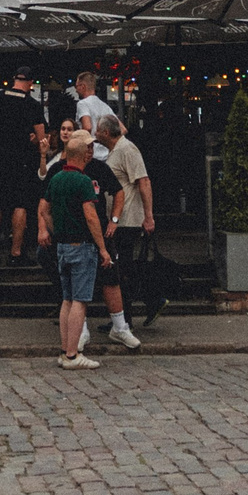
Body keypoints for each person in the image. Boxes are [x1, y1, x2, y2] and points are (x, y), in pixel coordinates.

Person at [37, 130, 111, 369]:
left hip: (63, 245)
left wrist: (55, 229)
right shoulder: (83, 181)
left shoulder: (57, 178)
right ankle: (72, 354)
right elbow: (91, 216)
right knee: (80, 300)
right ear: (81, 155)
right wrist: (102, 248)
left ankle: (64, 350)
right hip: (82, 245)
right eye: (88, 148)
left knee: (66, 299)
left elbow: (44, 209)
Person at [90, 115, 152, 346]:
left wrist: (148, 216)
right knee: (118, 269)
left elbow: (143, 181)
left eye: (98, 130)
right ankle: (120, 320)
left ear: (106, 132)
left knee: (121, 270)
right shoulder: (115, 149)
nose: (95, 134)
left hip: (126, 219)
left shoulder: (127, 149)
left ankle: (125, 320)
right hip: (115, 220)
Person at [0, 68, 43, 266]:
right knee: (21, 205)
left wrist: (1, 129)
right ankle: (16, 253)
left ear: (14, 80)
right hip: (22, 160)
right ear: (29, 83)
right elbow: (41, 137)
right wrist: (33, 139)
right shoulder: (32, 104)